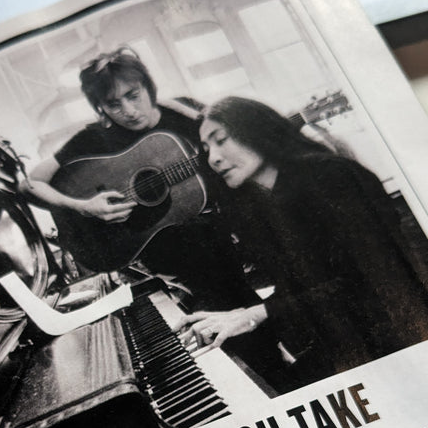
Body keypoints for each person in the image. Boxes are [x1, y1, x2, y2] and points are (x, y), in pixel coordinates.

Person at [181, 96, 428, 388]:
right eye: (207, 150)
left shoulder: (332, 176)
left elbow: (370, 283)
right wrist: (242, 316)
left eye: (221, 140)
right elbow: (306, 286)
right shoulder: (265, 203)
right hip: (349, 342)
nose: (213, 159)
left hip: (404, 343)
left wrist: (258, 314)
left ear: (256, 129)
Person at [20, 48, 259, 314]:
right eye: (113, 105)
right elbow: (30, 184)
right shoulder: (94, 138)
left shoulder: (183, 110)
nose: (129, 111)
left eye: (134, 96)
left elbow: (242, 142)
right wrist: (84, 207)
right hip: (175, 250)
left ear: (148, 87)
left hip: (232, 226)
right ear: (100, 107)